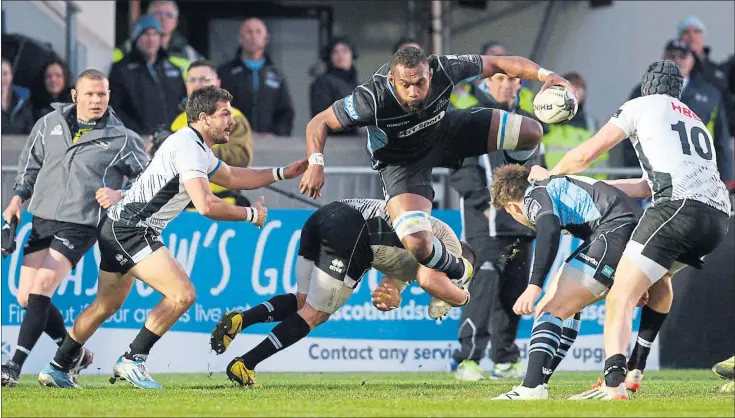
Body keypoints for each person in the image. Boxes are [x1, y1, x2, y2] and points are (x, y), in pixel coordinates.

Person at [36, 86, 307, 390]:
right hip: (131, 229)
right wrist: (250, 215)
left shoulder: (196, 145)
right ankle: (132, 359)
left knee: (104, 306)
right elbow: (206, 206)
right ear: (204, 118)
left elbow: (231, 177)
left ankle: (57, 366)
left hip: (120, 225)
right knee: (182, 294)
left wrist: (282, 172)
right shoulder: (190, 148)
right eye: (225, 115)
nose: (232, 121)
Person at [530, 60, 731, 400]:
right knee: (660, 281)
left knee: (620, 296)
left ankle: (613, 385)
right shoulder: (693, 118)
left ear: (646, 87)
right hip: (718, 218)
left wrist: (552, 177)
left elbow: (586, 154)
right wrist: (592, 186)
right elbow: (643, 185)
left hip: (677, 209)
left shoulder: (640, 105)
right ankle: (635, 370)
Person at [300, 45, 574, 291]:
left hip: (446, 133)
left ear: (430, 74)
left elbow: (500, 62)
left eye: (420, 83)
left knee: (531, 131)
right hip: (403, 164)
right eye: (405, 85)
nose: (414, 92)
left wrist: (545, 75)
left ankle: (516, 191)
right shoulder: (370, 97)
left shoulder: (444, 67)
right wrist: (316, 163)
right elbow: (318, 123)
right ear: (392, 80)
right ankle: (459, 271)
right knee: (417, 244)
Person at [209, 198, 475, 386]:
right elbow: (430, 279)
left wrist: (391, 295)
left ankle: (242, 319)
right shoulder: (450, 247)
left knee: (303, 303)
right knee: (315, 315)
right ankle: (246, 363)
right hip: (355, 231)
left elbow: (394, 281)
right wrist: (463, 298)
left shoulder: (422, 248)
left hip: (327, 214)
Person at [0, 69, 149, 387]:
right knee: (27, 297)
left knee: (42, 287)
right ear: (74, 95)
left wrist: (119, 193)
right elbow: (29, 167)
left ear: (109, 95)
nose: (97, 100)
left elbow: (150, 179)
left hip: (81, 223)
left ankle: (12, 367)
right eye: (90, 94)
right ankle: (75, 353)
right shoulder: (47, 124)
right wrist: (15, 201)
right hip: (42, 218)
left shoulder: (122, 138)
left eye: (102, 94)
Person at [485, 166, 647, 399]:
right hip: (623, 231)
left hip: (614, 230)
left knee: (551, 308)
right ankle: (538, 381)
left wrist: (534, 286)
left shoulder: (534, 195)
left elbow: (548, 231)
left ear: (512, 206)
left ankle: (532, 387)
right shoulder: (553, 186)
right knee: (565, 309)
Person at [449, 69, 547, 381]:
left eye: (513, 80)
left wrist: (537, 206)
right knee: (484, 286)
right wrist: (487, 203)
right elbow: (460, 169)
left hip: (522, 223)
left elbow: (539, 171)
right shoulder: (473, 120)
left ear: (520, 85)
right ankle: (467, 360)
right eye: (501, 78)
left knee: (514, 293)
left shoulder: (530, 123)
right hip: (486, 225)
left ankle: (504, 359)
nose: (507, 85)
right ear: (487, 82)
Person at [621, 40, 732, 187]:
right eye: (672, 56)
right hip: (654, 176)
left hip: (698, 176)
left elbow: (721, 139)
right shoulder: (642, 90)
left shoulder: (710, 93)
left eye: (682, 56)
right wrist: (632, 171)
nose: (677, 60)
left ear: (692, 61)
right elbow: (628, 132)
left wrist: (727, 179)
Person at [171, 60, 254, 206]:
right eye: (192, 80)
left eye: (204, 79)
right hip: (183, 208)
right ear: (186, 85)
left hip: (224, 203)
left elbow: (242, 157)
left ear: (218, 84)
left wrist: (199, 147)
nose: (197, 84)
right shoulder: (178, 121)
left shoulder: (233, 117)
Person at [108, 15, 187, 136]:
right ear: (136, 38)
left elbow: (183, 104)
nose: (151, 39)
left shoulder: (173, 70)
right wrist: (137, 134)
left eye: (155, 34)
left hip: (173, 138)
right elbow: (115, 109)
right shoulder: (121, 70)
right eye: (146, 34)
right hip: (139, 140)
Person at [218, 18, 294, 136]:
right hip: (233, 141)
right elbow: (217, 108)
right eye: (249, 32)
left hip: (270, 145)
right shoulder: (225, 73)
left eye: (258, 32)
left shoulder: (276, 75)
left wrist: (276, 135)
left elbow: (285, 113)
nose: (253, 36)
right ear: (240, 38)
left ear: (266, 38)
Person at [543, 72, 609, 180]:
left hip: (584, 185)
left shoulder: (591, 123)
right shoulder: (546, 119)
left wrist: (599, 184)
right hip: (550, 182)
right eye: (570, 88)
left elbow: (601, 156)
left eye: (579, 88)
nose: (575, 92)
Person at [113, 1, 203, 78]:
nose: (162, 18)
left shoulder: (191, 55)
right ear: (147, 18)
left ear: (176, 21)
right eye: (157, 14)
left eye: (169, 15)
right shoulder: (125, 51)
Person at [310, 37, 359, 136]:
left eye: (345, 51)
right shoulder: (323, 83)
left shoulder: (358, 86)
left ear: (352, 55)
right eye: (335, 52)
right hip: (334, 143)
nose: (340, 55)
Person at [1, 57, 34, 135]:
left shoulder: (22, 101)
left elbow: (30, 133)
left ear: (11, 76)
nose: (1, 78)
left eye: (5, 74)